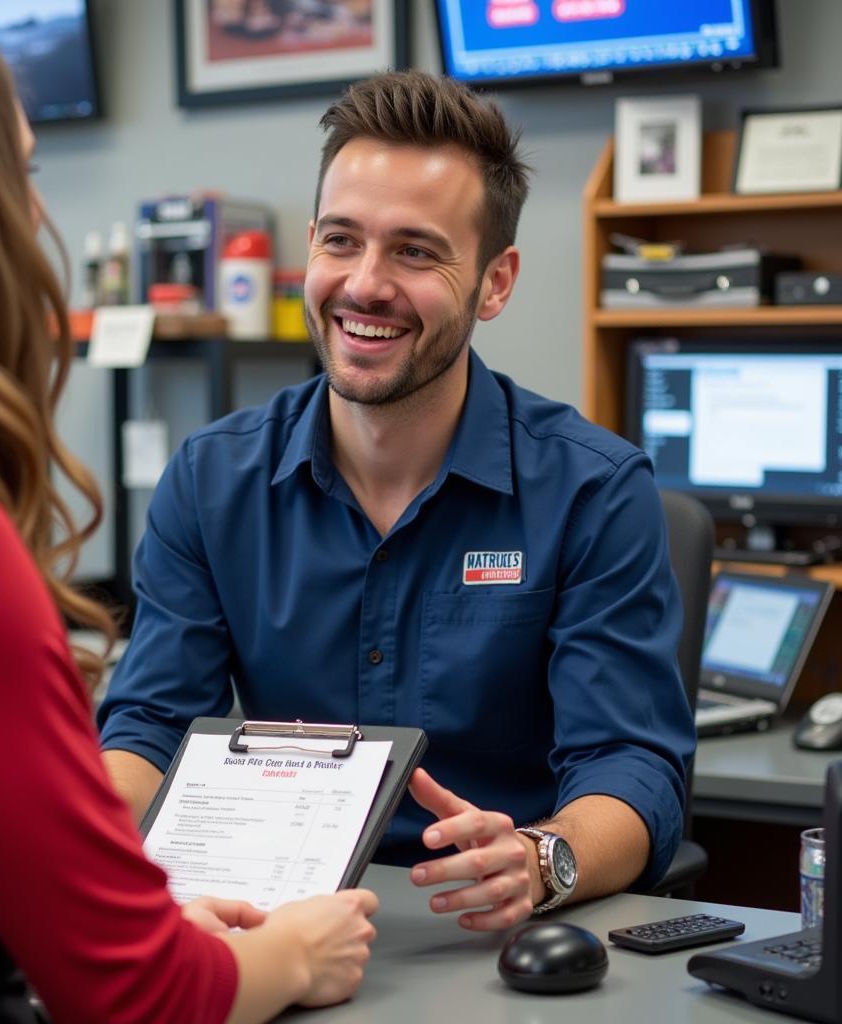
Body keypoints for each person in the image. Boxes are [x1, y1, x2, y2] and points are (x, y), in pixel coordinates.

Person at [0, 2, 379, 1022]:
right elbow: (137, 995)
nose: (37, 218)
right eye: (21, 174)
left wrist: (125, 916)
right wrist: (294, 953)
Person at [98, 69, 696, 930]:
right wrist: (93, 849)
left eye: (415, 251)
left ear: (495, 282)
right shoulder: (211, 480)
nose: (365, 284)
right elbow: (150, 726)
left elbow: (631, 768)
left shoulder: (594, 492)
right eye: (341, 241)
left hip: (494, 934)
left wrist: (539, 859)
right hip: (279, 925)